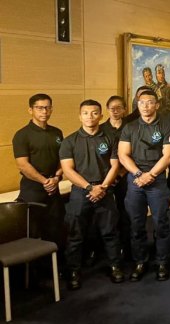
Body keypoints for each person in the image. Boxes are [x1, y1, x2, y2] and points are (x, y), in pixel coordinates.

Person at [60, 99, 123, 289]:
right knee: (75, 234)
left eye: (95, 113)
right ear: (80, 116)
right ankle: (73, 270)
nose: (90, 117)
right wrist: (89, 188)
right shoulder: (69, 141)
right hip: (81, 192)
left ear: (101, 115)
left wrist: (102, 187)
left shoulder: (110, 137)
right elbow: (68, 170)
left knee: (110, 232)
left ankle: (115, 266)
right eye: (86, 113)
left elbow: (115, 166)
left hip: (105, 190)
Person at [118, 90, 170, 282]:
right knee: (136, 224)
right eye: (142, 102)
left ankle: (162, 261)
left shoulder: (167, 126)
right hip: (135, 181)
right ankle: (140, 261)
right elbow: (123, 155)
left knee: (161, 222)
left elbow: (168, 156)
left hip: (157, 180)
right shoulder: (130, 127)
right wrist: (138, 174)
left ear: (156, 105)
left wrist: (151, 175)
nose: (145, 106)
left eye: (149, 102)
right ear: (137, 104)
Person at [12, 94, 65, 246]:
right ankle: (36, 269)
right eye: (40, 108)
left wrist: (56, 178)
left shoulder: (57, 132)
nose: (44, 111)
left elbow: (63, 159)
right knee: (34, 232)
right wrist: (45, 181)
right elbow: (23, 165)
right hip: (33, 188)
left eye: (48, 108)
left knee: (56, 229)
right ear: (30, 110)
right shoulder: (22, 135)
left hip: (54, 187)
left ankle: (56, 268)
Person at [99, 96, 132, 260]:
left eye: (119, 107)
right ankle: (105, 250)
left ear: (124, 109)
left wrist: (120, 174)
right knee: (106, 215)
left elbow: (134, 153)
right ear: (107, 109)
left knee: (125, 212)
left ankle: (126, 247)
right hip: (104, 178)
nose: (115, 110)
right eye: (112, 107)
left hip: (126, 176)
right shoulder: (100, 129)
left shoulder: (131, 127)